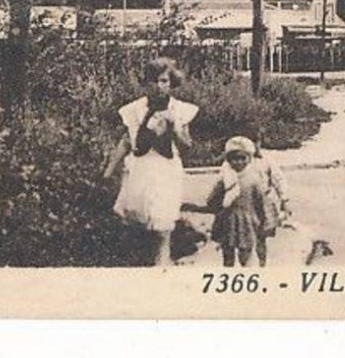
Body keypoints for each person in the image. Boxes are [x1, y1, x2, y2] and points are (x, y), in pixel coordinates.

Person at [104, 58, 199, 266]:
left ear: (171, 82)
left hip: (166, 169)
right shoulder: (135, 109)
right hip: (141, 167)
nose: (159, 86)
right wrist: (108, 171)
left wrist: (175, 128)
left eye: (164, 81)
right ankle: (141, 266)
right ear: (146, 83)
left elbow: (187, 146)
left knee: (163, 221)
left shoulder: (179, 110)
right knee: (138, 219)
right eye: (154, 81)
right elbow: (127, 141)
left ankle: (161, 266)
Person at [206, 136, 276, 268]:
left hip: (246, 221)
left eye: (242, 158)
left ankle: (246, 276)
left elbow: (262, 202)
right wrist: (216, 205)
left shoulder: (254, 180)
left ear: (249, 159)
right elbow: (213, 198)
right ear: (228, 160)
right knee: (227, 254)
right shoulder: (225, 178)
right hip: (227, 220)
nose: (238, 162)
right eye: (234, 159)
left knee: (246, 254)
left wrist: (267, 221)